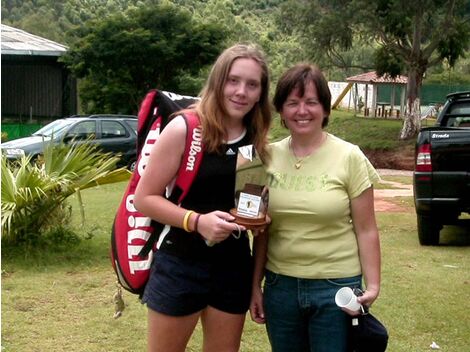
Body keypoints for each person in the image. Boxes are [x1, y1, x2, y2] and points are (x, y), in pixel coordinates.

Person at [133, 43, 272, 352]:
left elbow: (249, 207)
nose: (241, 92)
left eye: (252, 85)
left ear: (261, 93)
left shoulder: (255, 140)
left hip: (233, 268)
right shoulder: (185, 127)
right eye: (233, 81)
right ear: (217, 81)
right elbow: (145, 198)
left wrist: (258, 220)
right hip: (180, 264)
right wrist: (196, 221)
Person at [250, 63, 381, 352]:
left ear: (325, 108)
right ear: (281, 110)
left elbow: (366, 228)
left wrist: (372, 286)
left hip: (336, 289)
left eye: (311, 102)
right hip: (280, 287)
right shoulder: (266, 157)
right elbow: (261, 230)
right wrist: (255, 287)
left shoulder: (350, 157)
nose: (302, 111)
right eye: (292, 103)